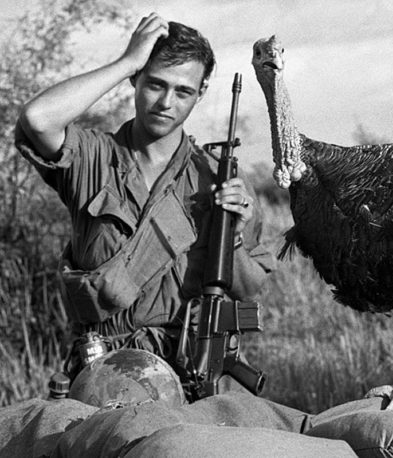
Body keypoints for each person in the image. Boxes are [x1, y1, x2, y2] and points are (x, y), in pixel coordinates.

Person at [14, 13, 274, 377]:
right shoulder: (93, 158)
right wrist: (126, 61)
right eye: (155, 84)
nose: (166, 102)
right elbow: (38, 119)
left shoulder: (221, 180)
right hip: (102, 370)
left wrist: (234, 237)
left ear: (200, 93)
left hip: (189, 370)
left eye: (183, 91)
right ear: (136, 80)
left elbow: (248, 290)